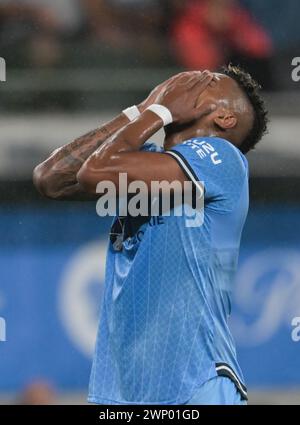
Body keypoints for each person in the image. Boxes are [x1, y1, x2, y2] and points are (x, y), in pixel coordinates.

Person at [33, 65, 268, 404]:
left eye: (208, 82)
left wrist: (158, 111)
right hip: (125, 390)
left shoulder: (223, 158)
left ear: (225, 119)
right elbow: (51, 178)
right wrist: (142, 110)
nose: (190, 79)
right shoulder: (148, 164)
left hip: (196, 382)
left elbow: (94, 173)